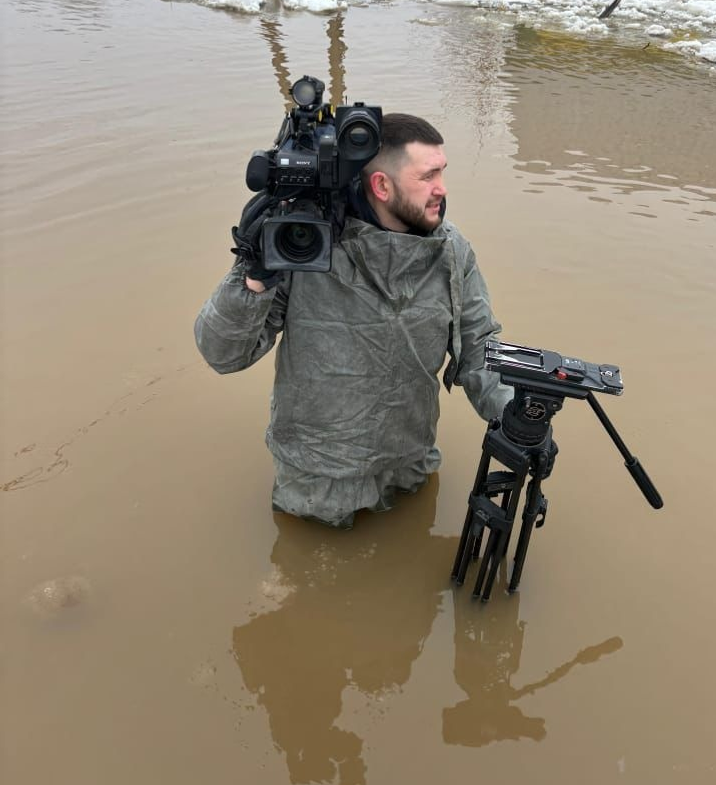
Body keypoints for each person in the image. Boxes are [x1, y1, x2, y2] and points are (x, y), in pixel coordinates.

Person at [194, 113, 511, 528]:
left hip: (409, 461)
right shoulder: (306, 246)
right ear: (382, 185)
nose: (442, 188)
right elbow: (222, 354)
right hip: (318, 478)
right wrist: (254, 274)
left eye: (442, 171)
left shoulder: (451, 251)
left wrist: (514, 415)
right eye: (428, 176)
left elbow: (479, 344)